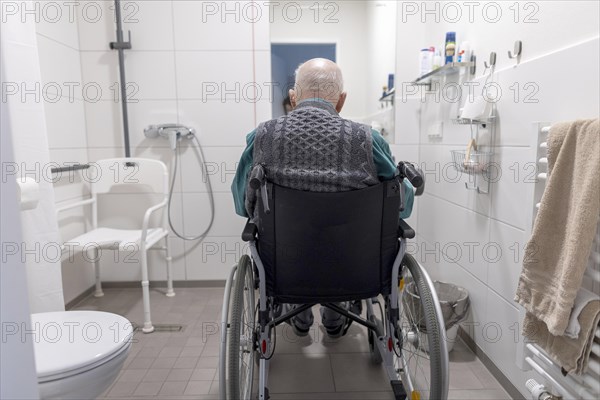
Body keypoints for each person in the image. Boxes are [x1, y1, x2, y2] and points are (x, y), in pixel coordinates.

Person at [231, 58, 414, 338]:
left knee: (290, 247)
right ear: (341, 101)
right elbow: (402, 204)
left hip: (285, 268)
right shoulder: (369, 140)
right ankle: (335, 312)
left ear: (293, 98)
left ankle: (298, 307)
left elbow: (241, 202)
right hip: (356, 268)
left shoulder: (262, 138)